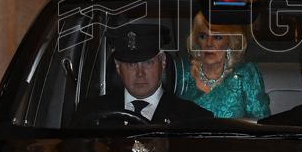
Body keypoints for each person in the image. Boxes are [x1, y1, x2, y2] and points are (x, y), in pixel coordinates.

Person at [75, 23, 214, 126]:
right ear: (118, 67)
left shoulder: (194, 119)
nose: (140, 73)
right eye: (131, 65)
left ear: (163, 62)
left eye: (148, 63)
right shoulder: (90, 114)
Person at [178, 12, 270, 119]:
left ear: (230, 41)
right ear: (197, 41)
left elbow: (261, 123)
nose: (209, 43)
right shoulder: (181, 75)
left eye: (217, 37)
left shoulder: (245, 75)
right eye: (203, 36)